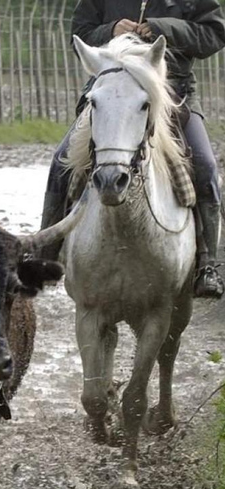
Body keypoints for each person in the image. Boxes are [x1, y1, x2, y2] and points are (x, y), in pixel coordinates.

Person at [40, 0, 225, 298]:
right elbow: (81, 33)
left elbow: (214, 34)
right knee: (61, 161)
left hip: (172, 92)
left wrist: (164, 28)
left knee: (205, 166)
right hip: (112, 90)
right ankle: (44, 256)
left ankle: (208, 264)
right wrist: (111, 30)